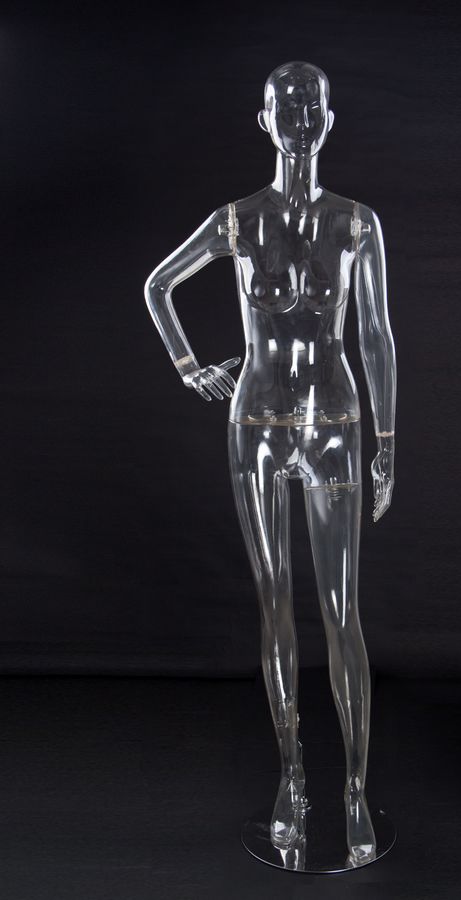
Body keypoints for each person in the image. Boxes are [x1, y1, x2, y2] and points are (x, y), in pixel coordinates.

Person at [144, 60, 396, 866]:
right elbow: (158, 284)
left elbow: (375, 334)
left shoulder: (356, 223)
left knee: (342, 608)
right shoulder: (237, 222)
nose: (299, 122)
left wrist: (386, 442)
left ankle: (354, 788)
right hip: (254, 423)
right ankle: (292, 776)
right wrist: (189, 367)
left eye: (311, 108)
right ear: (265, 122)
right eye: (286, 109)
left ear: (329, 120)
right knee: (275, 604)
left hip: (335, 424)